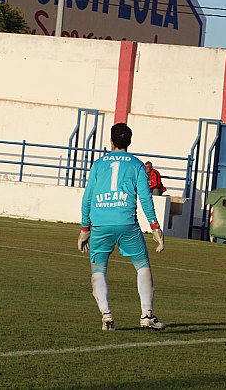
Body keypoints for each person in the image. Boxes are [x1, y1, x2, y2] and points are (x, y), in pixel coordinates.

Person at [78, 123, 165, 331]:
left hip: (100, 224)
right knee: (142, 266)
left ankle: (106, 316)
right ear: (129, 142)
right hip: (127, 223)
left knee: (98, 270)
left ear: (111, 141)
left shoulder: (98, 165)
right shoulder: (136, 165)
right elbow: (145, 198)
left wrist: (84, 229)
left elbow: (87, 198)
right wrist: (155, 227)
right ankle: (146, 315)